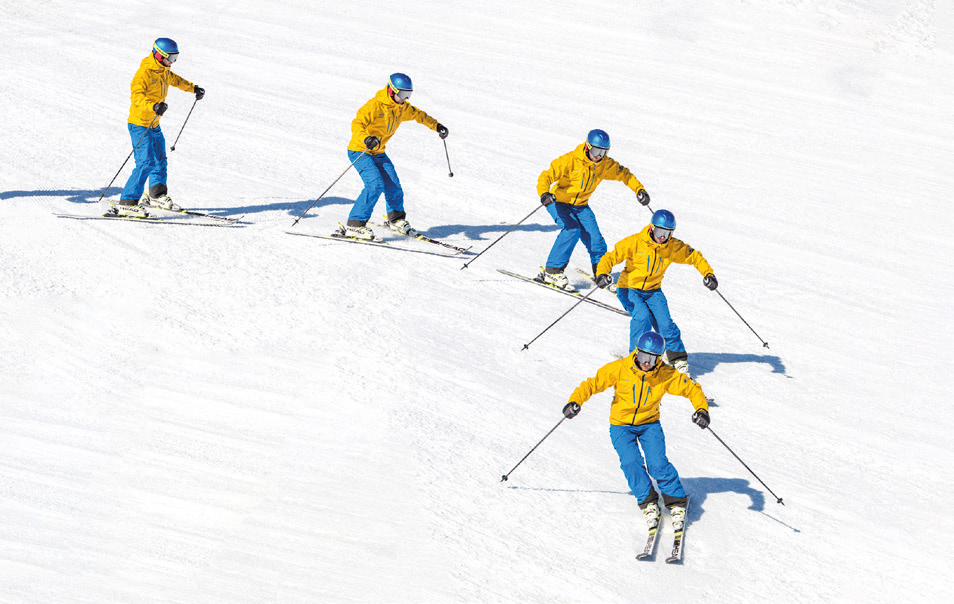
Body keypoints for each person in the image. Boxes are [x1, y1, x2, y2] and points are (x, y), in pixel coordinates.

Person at [562, 331, 710, 531]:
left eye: (652, 359)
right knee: (630, 462)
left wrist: (701, 410)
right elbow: (592, 384)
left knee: (657, 463)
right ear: (636, 352)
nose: (646, 362)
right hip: (621, 426)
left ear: (659, 359)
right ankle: (648, 502)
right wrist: (575, 401)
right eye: (643, 356)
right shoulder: (620, 368)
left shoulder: (665, 374)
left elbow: (691, 388)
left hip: (649, 424)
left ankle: (676, 502)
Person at [594, 209, 718, 376]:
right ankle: (635, 357)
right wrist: (602, 273)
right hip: (629, 288)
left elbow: (694, 256)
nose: (662, 237)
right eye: (659, 231)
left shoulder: (671, 247)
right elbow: (611, 257)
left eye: (667, 233)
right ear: (652, 228)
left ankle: (677, 358)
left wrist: (708, 274)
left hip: (653, 291)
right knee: (642, 316)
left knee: (665, 323)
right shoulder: (635, 242)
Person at [336, 73, 448, 240]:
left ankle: (396, 219)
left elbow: (419, 115)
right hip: (361, 150)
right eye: (402, 94)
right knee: (375, 185)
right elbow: (357, 124)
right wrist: (366, 138)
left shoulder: (401, 108)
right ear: (391, 90)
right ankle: (355, 224)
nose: (405, 98)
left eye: (408, 94)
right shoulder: (374, 106)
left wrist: (437, 126)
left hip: (379, 152)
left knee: (393, 185)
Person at [535, 129, 650, 291]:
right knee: (571, 230)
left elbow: (625, 174)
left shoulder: (604, 165)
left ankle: (601, 273)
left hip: (581, 206)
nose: (598, 156)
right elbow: (546, 176)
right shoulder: (570, 160)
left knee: (596, 239)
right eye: (596, 151)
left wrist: (639, 190)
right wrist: (544, 193)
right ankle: (552, 272)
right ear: (587, 147)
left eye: (603, 152)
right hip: (558, 202)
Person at [111, 38, 205, 217]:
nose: (173, 62)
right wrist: (153, 106)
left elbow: (176, 80)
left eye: (176, 57)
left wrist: (194, 88)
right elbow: (136, 97)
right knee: (145, 162)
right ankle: (127, 202)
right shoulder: (144, 73)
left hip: (154, 123)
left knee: (160, 159)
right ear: (159, 55)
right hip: (140, 124)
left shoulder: (164, 71)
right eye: (171, 58)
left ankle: (156, 195)